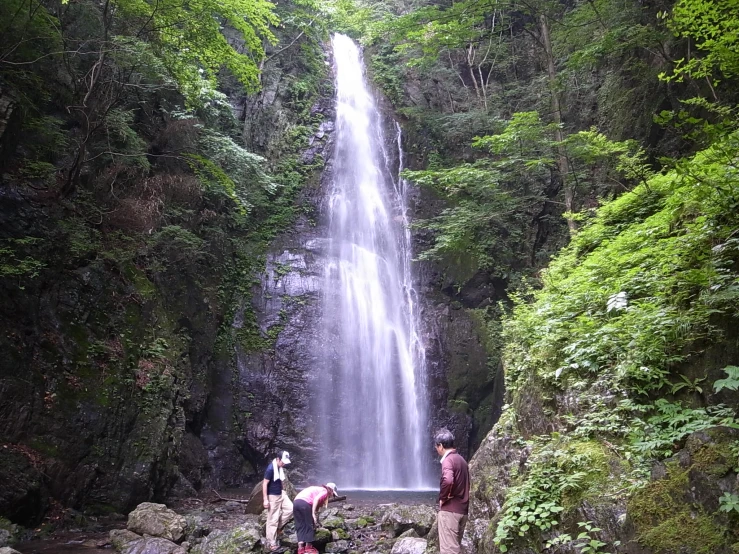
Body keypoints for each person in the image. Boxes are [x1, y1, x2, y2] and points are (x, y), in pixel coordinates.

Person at [435, 428, 470, 554]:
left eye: (436, 446)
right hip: (463, 511)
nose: (436, 449)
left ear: (441, 446)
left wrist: (443, 498)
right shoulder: (461, 460)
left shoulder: (448, 460)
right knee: (455, 548)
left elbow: (448, 480)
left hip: (450, 511)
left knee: (449, 551)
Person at [293, 482, 339, 554]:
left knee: (300, 524)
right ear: (330, 490)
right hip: (305, 503)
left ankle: (300, 548)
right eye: (332, 494)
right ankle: (308, 547)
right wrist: (313, 514)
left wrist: (316, 519)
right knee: (309, 524)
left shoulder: (317, 490)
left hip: (296, 502)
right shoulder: (324, 491)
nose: (331, 496)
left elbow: (316, 506)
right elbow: (316, 500)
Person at [262, 451, 294, 553]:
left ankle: (278, 528)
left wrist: (283, 489)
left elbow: (279, 479)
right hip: (273, 496)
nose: (284, 464)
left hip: (281, 493)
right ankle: (271, 542)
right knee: (273, 519)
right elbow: (264, 484)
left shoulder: (279, 467)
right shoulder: (270, 469)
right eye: (283, 462)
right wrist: (265, 500)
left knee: (290, 508)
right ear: (278, 459)